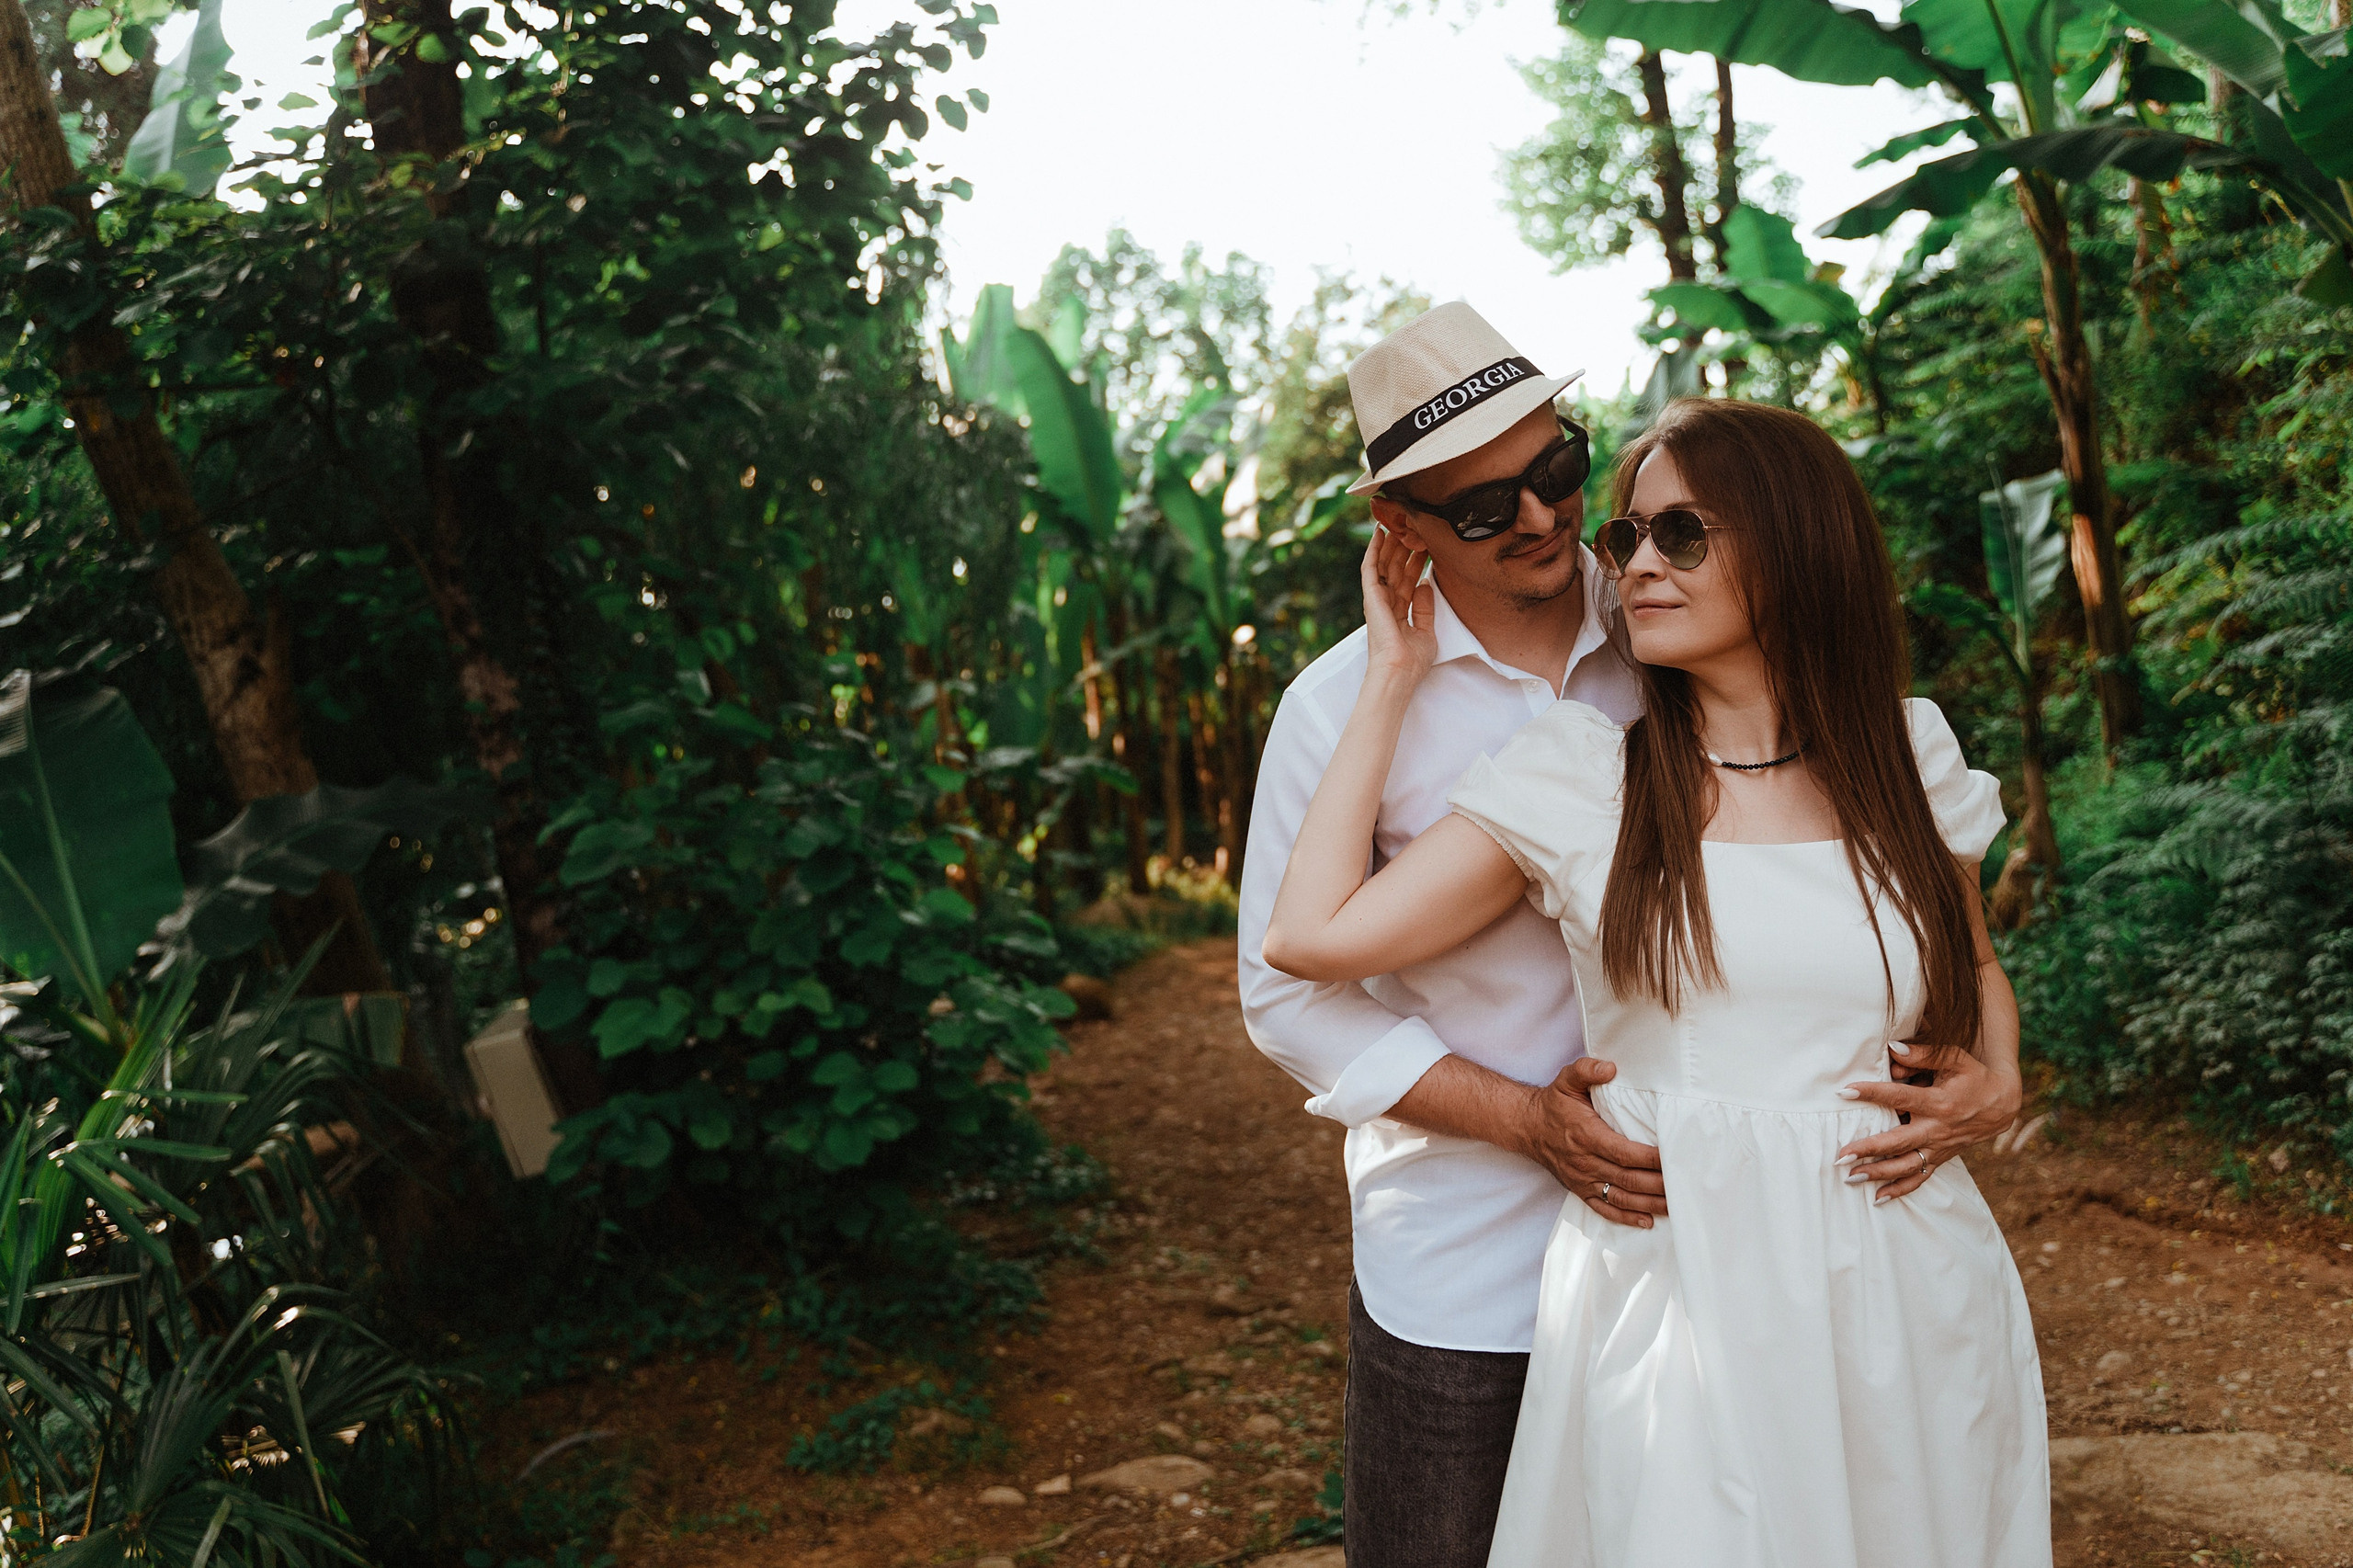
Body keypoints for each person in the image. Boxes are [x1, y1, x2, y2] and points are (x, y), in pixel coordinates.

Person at [1236, 307, 2023, 1567]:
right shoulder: (1352, 710)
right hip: (1483, 1250)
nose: (1546, 520)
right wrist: (1525, 1118)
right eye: (1483, 508)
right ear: (1402, 527)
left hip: (1836, 1269)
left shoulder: (1677, 619)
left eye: (1559, 473)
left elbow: (1954, 952)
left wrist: (1997, 1072)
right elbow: (1290, 982)